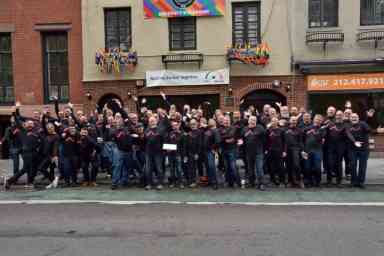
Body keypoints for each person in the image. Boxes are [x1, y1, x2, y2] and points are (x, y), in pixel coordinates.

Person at [240, 116, 266, 190]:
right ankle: (252, 182)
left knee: (259, 169)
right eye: (251, 120)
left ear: (256, 121)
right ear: (248, 121)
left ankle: (261, 184)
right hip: (248, 152)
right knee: (250, 169)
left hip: (258, 152)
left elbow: (264, 137)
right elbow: (241, 139)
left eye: (254, 120)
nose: (252, 121)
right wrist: (240, 144)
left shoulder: (260, 128)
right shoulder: (244, 129)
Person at [348, 113, 370, 189]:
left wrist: (368, 118)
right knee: (353, 165)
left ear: (358, 118)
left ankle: (361, 182)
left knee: (362, 166)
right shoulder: (348, 126)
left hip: (364, 149)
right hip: (352, 149)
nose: (354, 118)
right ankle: (353, 181)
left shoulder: (363, 124)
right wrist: (354, 141)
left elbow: (368, 130)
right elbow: (348, 134)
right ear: (350, 118)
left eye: (355, 117)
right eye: (352, 117)